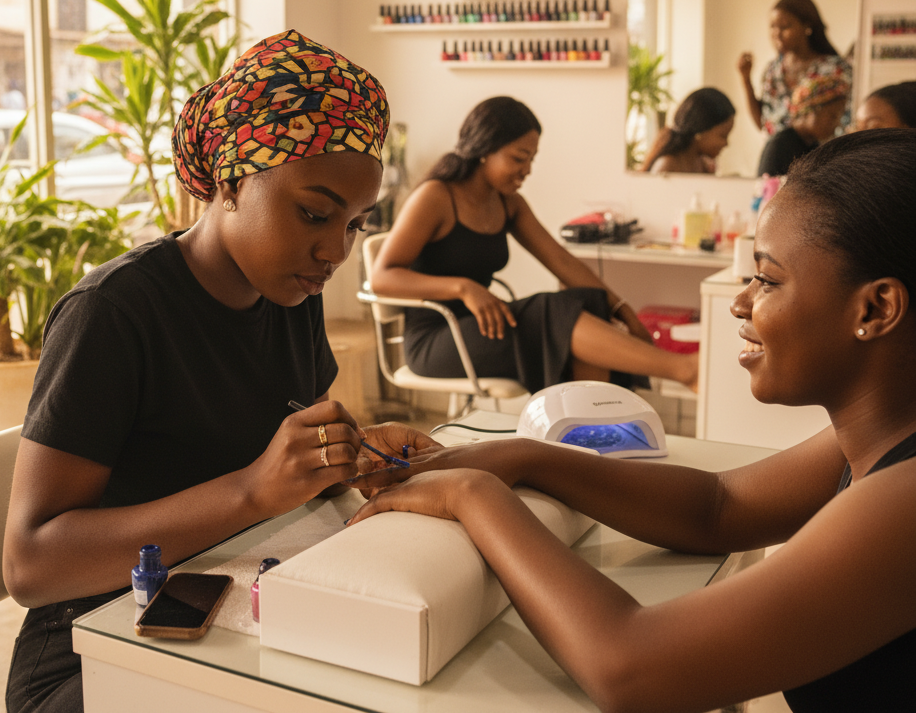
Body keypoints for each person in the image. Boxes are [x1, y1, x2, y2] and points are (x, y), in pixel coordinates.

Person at [351, 129, 916, 712]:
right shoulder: (877, 442)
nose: (741, 302)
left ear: (874, 309)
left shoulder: (905, 500)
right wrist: (520, 454)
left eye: (767, 279)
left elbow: (631, 668)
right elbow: (720, 507)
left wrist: (474, 493)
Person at [2, 31, 428, 712]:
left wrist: (357, 452)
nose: (334, 250)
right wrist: (251, 493)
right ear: (231, 180)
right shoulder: (113, 316)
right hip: (97, 649)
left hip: (227, 610)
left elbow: (295, 460)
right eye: (315, 214)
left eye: (353, 225)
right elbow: (30, 565)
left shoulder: (290, 292)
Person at [371, 96, 698, 395]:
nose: (526, 170)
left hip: (487, 326)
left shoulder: (509, 203)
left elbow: (563, 262)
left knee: (587, 300)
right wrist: (463, 288)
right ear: (484, 149)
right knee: (549, 313)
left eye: (531, 159)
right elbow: (382, 279)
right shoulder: (436, 197)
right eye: (519, 158)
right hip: (438, 339)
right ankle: (683, 370)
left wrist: (623, 310)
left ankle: (594, 431)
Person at [737, 0, 852, 137]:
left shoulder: (834, 70)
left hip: (819, 156)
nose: (777, 34)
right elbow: (763, 123)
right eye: (773, 27)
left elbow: (842, 122)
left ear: (807, 26)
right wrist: (745, 78)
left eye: (785, 27)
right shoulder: (773, 71)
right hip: (778, 156)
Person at [757, 72, 849, 177]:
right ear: (810, 111)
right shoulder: (779, 148)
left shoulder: (812, 146)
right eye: (833, 116)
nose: (837, 124)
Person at [640, 87, 735, 174]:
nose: (726, 143)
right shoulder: (667, 166)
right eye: (723, 136)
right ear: (700, 131)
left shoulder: (703, 165)